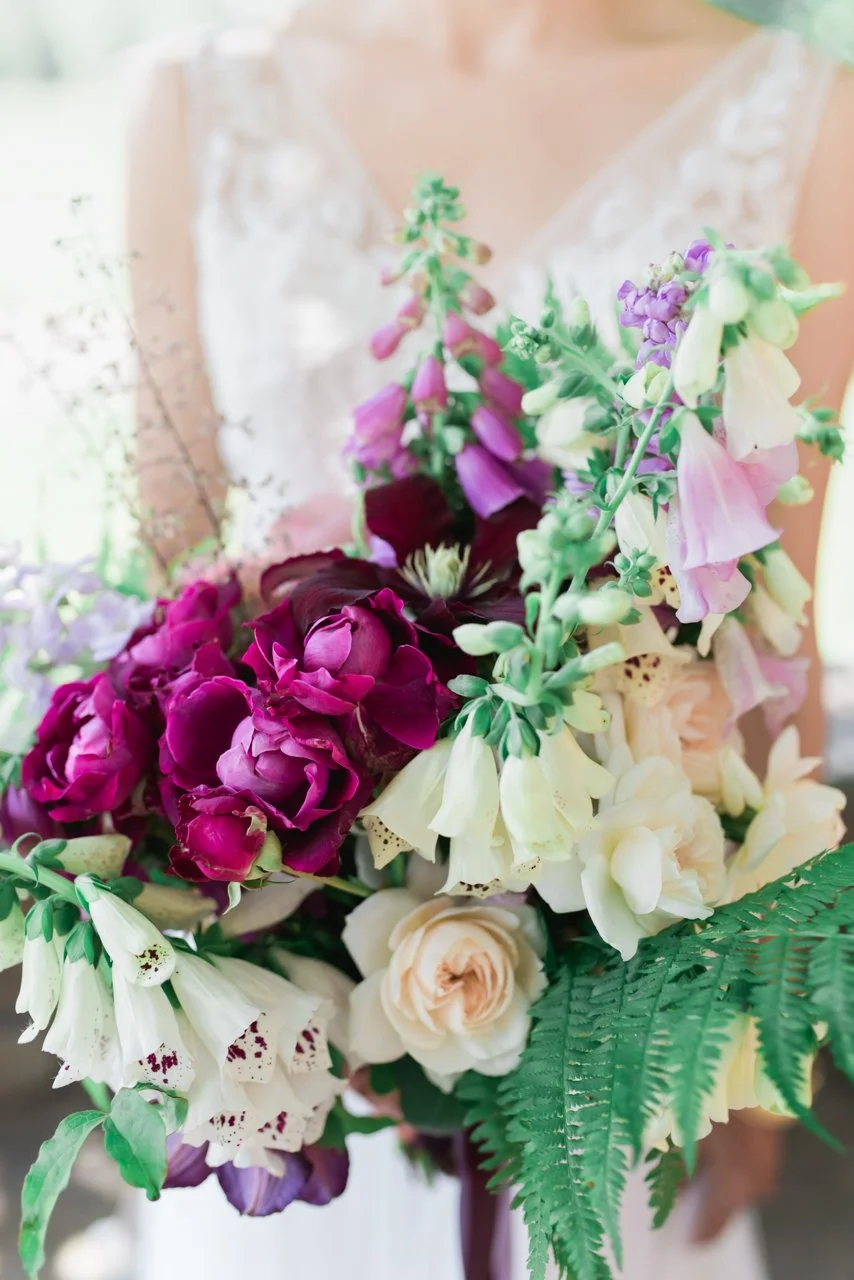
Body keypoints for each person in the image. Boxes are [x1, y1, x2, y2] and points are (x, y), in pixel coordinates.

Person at [127, 1, 854, 1275]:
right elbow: (166, 595)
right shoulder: (196, 99)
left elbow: (769, 646)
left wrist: (750, 1051)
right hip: (277, 1029)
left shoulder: (804, 116)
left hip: (612, 1036)